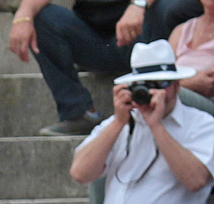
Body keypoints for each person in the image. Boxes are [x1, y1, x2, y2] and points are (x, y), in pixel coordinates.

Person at [62, 42, 214, 204]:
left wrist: (156, 126)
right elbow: (80, 173)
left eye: (161, 84)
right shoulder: (118, 123)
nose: (153, 93)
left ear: (176, 86)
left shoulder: (202, 124)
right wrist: (118, 123)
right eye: (145, 85)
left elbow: (196, 180)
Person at [11, 0, 201, 136]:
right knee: (41, 18)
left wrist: (139, 4)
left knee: (176, 5)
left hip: (146, 36)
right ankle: (78, 112)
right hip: (95, 41)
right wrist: (22, 17)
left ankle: (168, 99)